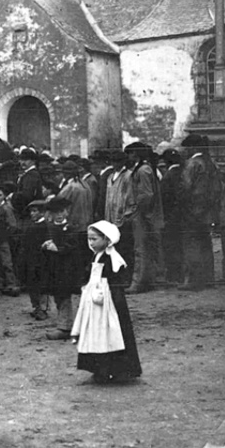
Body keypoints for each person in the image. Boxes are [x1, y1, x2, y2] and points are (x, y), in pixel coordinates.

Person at [71, 220, 142, 383]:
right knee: (95, 334)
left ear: (106, 239)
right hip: (94, 303)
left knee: (113, 333)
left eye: (94, 239)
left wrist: (105, 291)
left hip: (108, 302)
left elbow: (117, 280)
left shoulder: (113, 258)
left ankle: (121, 371)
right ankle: (99, 370)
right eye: (89, 239)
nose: (91, 242)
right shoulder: (95, 256)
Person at [180, 134, 222, 290]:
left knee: (192, 244)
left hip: (192, 210)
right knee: (205, 244)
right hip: (207, 210)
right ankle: (208, 278)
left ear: (193, 147)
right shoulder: (212, 164)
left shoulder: (192, 164)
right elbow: (217, 189)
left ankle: (193, 280)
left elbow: (185, 188)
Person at [42, 197, 85, 340]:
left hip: (67, 268)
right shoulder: (49, 228)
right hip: (53, 268)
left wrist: (58, 249)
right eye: (56, 212)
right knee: (57, 296)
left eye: (62, 211)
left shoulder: (71, 228)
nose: (59, 215)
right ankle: (64, 323)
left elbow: (72, 247)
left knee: (65, 295)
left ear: (67, 212)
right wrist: (45, 246)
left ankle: (65, 327)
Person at [124, 142, 164, 293]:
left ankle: (138, 282)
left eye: (130, 153)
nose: (128, 156)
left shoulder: (143, 170)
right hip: (144, 215)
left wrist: (137, 211)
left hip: (141, 216)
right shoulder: (145, 168)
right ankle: (148, 280)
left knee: (140, 249)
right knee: (146, 248)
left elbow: (146, 195)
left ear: (136, 153)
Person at [160, 149, 184, 284]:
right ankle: (180, 273)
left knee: (171, 245)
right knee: (180, 245)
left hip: (170, 215)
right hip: (182, 214)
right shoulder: (182, 172)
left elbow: (165, 197)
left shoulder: (168, 176)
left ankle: (173, 275)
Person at [23, 199, 50, 320]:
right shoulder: (31, 225)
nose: (32, 214)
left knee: (42, 284)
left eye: (35, 211)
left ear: (42, 212)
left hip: (41, 260)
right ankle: (36, 306)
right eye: (31, 211)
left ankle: (43, 309)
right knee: (32, 283)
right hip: (31, 259)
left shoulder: (45, 226)